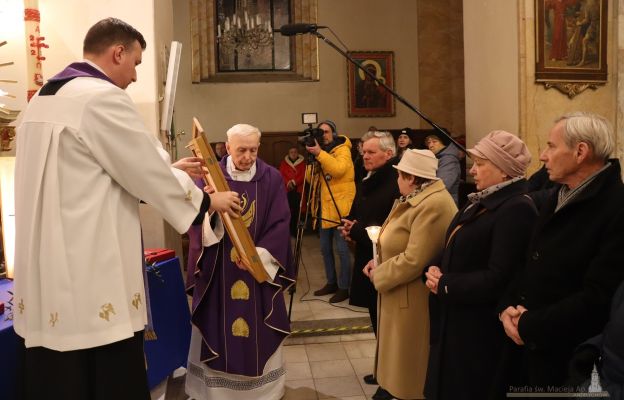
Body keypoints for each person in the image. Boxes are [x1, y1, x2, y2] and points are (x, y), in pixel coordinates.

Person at [12, 18, 240, 400]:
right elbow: (143, 168)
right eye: (134, 63)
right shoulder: (101, 97)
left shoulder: (41, 101)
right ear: (117, 52)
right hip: (89, 272)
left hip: (47, 272)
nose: (134, 76)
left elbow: (85, 179)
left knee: (59, 375)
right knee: (106, 372)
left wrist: (166, 173)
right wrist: (205, 201)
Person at [499, 112, 624, 392]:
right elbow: (530, 260)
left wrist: (529, 324)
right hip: (528, 346)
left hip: (569, 359)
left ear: (580, 151)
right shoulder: (557, 194)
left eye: (551, 146)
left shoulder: (616, 207)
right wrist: (507, 309)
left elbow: (599, 297)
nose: (543, 156)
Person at [424, 130, 537, 400]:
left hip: (478, 333)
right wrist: (433, 267)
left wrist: (446, 284)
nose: (473, 171)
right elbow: (453, 244)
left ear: (505, 171)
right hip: (456, 322)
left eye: (481, 163)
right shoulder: (480, 200)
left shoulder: (516, 208)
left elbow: (501, 276)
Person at [185, 123, 295, 400]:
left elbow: (280, 222)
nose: (248, 156)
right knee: (217, 323)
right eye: (241, 150)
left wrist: (260, 257)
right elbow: (194, 220)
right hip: (219, 269)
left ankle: (263, 393)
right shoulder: (211, 177)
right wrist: (212, 209)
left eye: (253, 150)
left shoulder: (271, 178)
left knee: (259, 326)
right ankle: (217, 393)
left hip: (257, 270)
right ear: (227, 147)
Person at [363, 149, 456, 400]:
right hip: (400, 293)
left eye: (399, 175)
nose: (397, 180)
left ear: (411, 178)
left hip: (412, 299)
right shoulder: (418, 198)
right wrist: (377, 262)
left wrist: (379, 275)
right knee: (397, 366)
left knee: (409, 372)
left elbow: (416, 259)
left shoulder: (433, 205)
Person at [339, 131, 400, 386]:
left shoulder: (396, 182)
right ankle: (383, 370)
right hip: (368, 257)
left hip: (386, 262)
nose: (365, 156)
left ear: (389, 153)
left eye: (371, 152)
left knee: (387, 324)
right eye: (363, 151)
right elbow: (363, 210)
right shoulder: (371, 178)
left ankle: (391, 376)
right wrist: (350, 225)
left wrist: (356, 230)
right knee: (377, 319)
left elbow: (391, 227)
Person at [306, 120, 356, 304]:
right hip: (323, 208)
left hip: (340, 208)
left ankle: (344, 287)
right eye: (320, 132)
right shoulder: (322, 153)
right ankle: (331, 282)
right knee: (325, 249)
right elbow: (310, 180)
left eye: (326, 132)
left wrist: (320, 154)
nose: (323, 135)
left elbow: (338, 170)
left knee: (342, 251)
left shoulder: (343, 149)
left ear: (334, 133)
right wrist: (313, 158)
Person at [424, 133, 461, 205]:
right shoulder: (438, 157)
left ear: (444, 143)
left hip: (446, 204)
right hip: (439, 202)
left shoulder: (449, 160)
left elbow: (442, 186)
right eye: (429, 143)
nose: (430, 145)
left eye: (434, 142)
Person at [279, 146, 306, 236]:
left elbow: (304, 175)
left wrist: (294, 181)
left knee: (298, 211)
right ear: (288, 153)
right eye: (291, 152)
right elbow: (281, 174)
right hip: (288, 190)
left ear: (297, 153)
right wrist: (288, 182)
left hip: (298, 189)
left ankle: (296, 231)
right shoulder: (284, 163)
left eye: (295, 152)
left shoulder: (303, 163)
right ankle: (288, 230)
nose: (293, 154)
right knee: (288, 211)